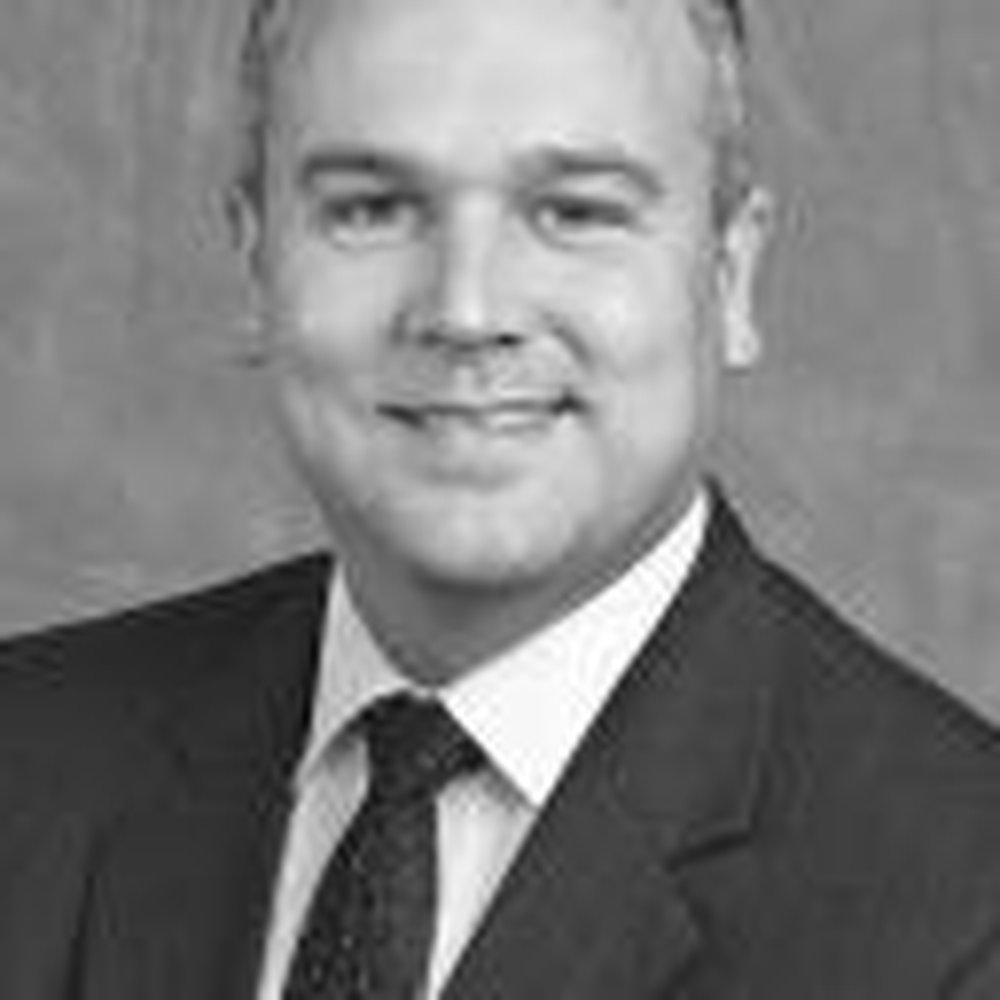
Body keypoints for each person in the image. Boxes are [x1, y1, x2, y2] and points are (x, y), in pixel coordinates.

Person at [2, 0, 1000, 996]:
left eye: (575, 213)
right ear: (256, 263)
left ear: (730, 274)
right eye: (373, 208)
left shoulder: (963, 908)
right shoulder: (29, 757)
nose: (466, 310)